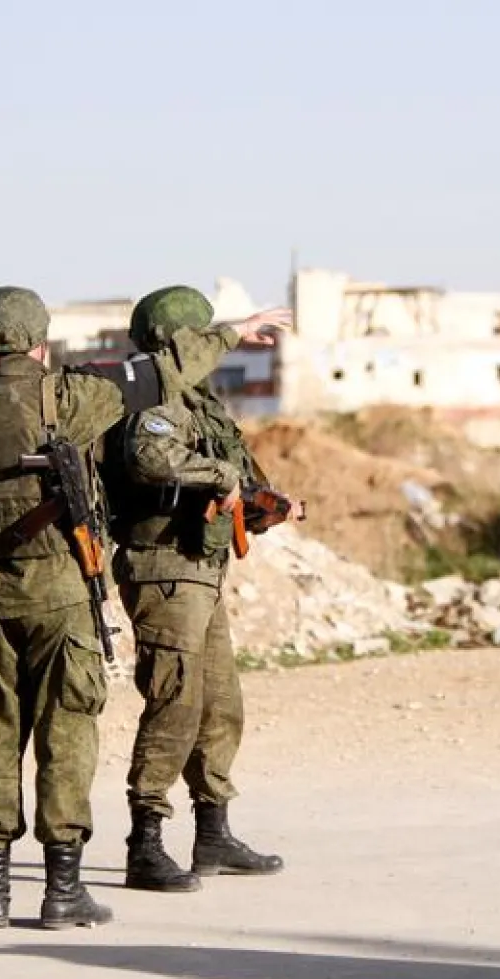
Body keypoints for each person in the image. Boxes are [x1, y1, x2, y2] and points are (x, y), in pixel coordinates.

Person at [0, 285, 287, 930]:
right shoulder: (67, 396)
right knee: (66, 733)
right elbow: (164, 370)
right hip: (61, 596)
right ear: (38, 341)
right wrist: (231, 334)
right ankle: (61, 890)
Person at [102, 286, 295, 894]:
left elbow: (235, 484)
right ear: (177, 341)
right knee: (175, 704)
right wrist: (224, 477)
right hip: (163, 567)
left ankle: (212, 832)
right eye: (203, 335)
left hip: (201, 567)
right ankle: (146, 842)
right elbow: (151, 460)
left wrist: (270, 505)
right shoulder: (151, 397)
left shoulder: (198, 401)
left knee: (219, 706)